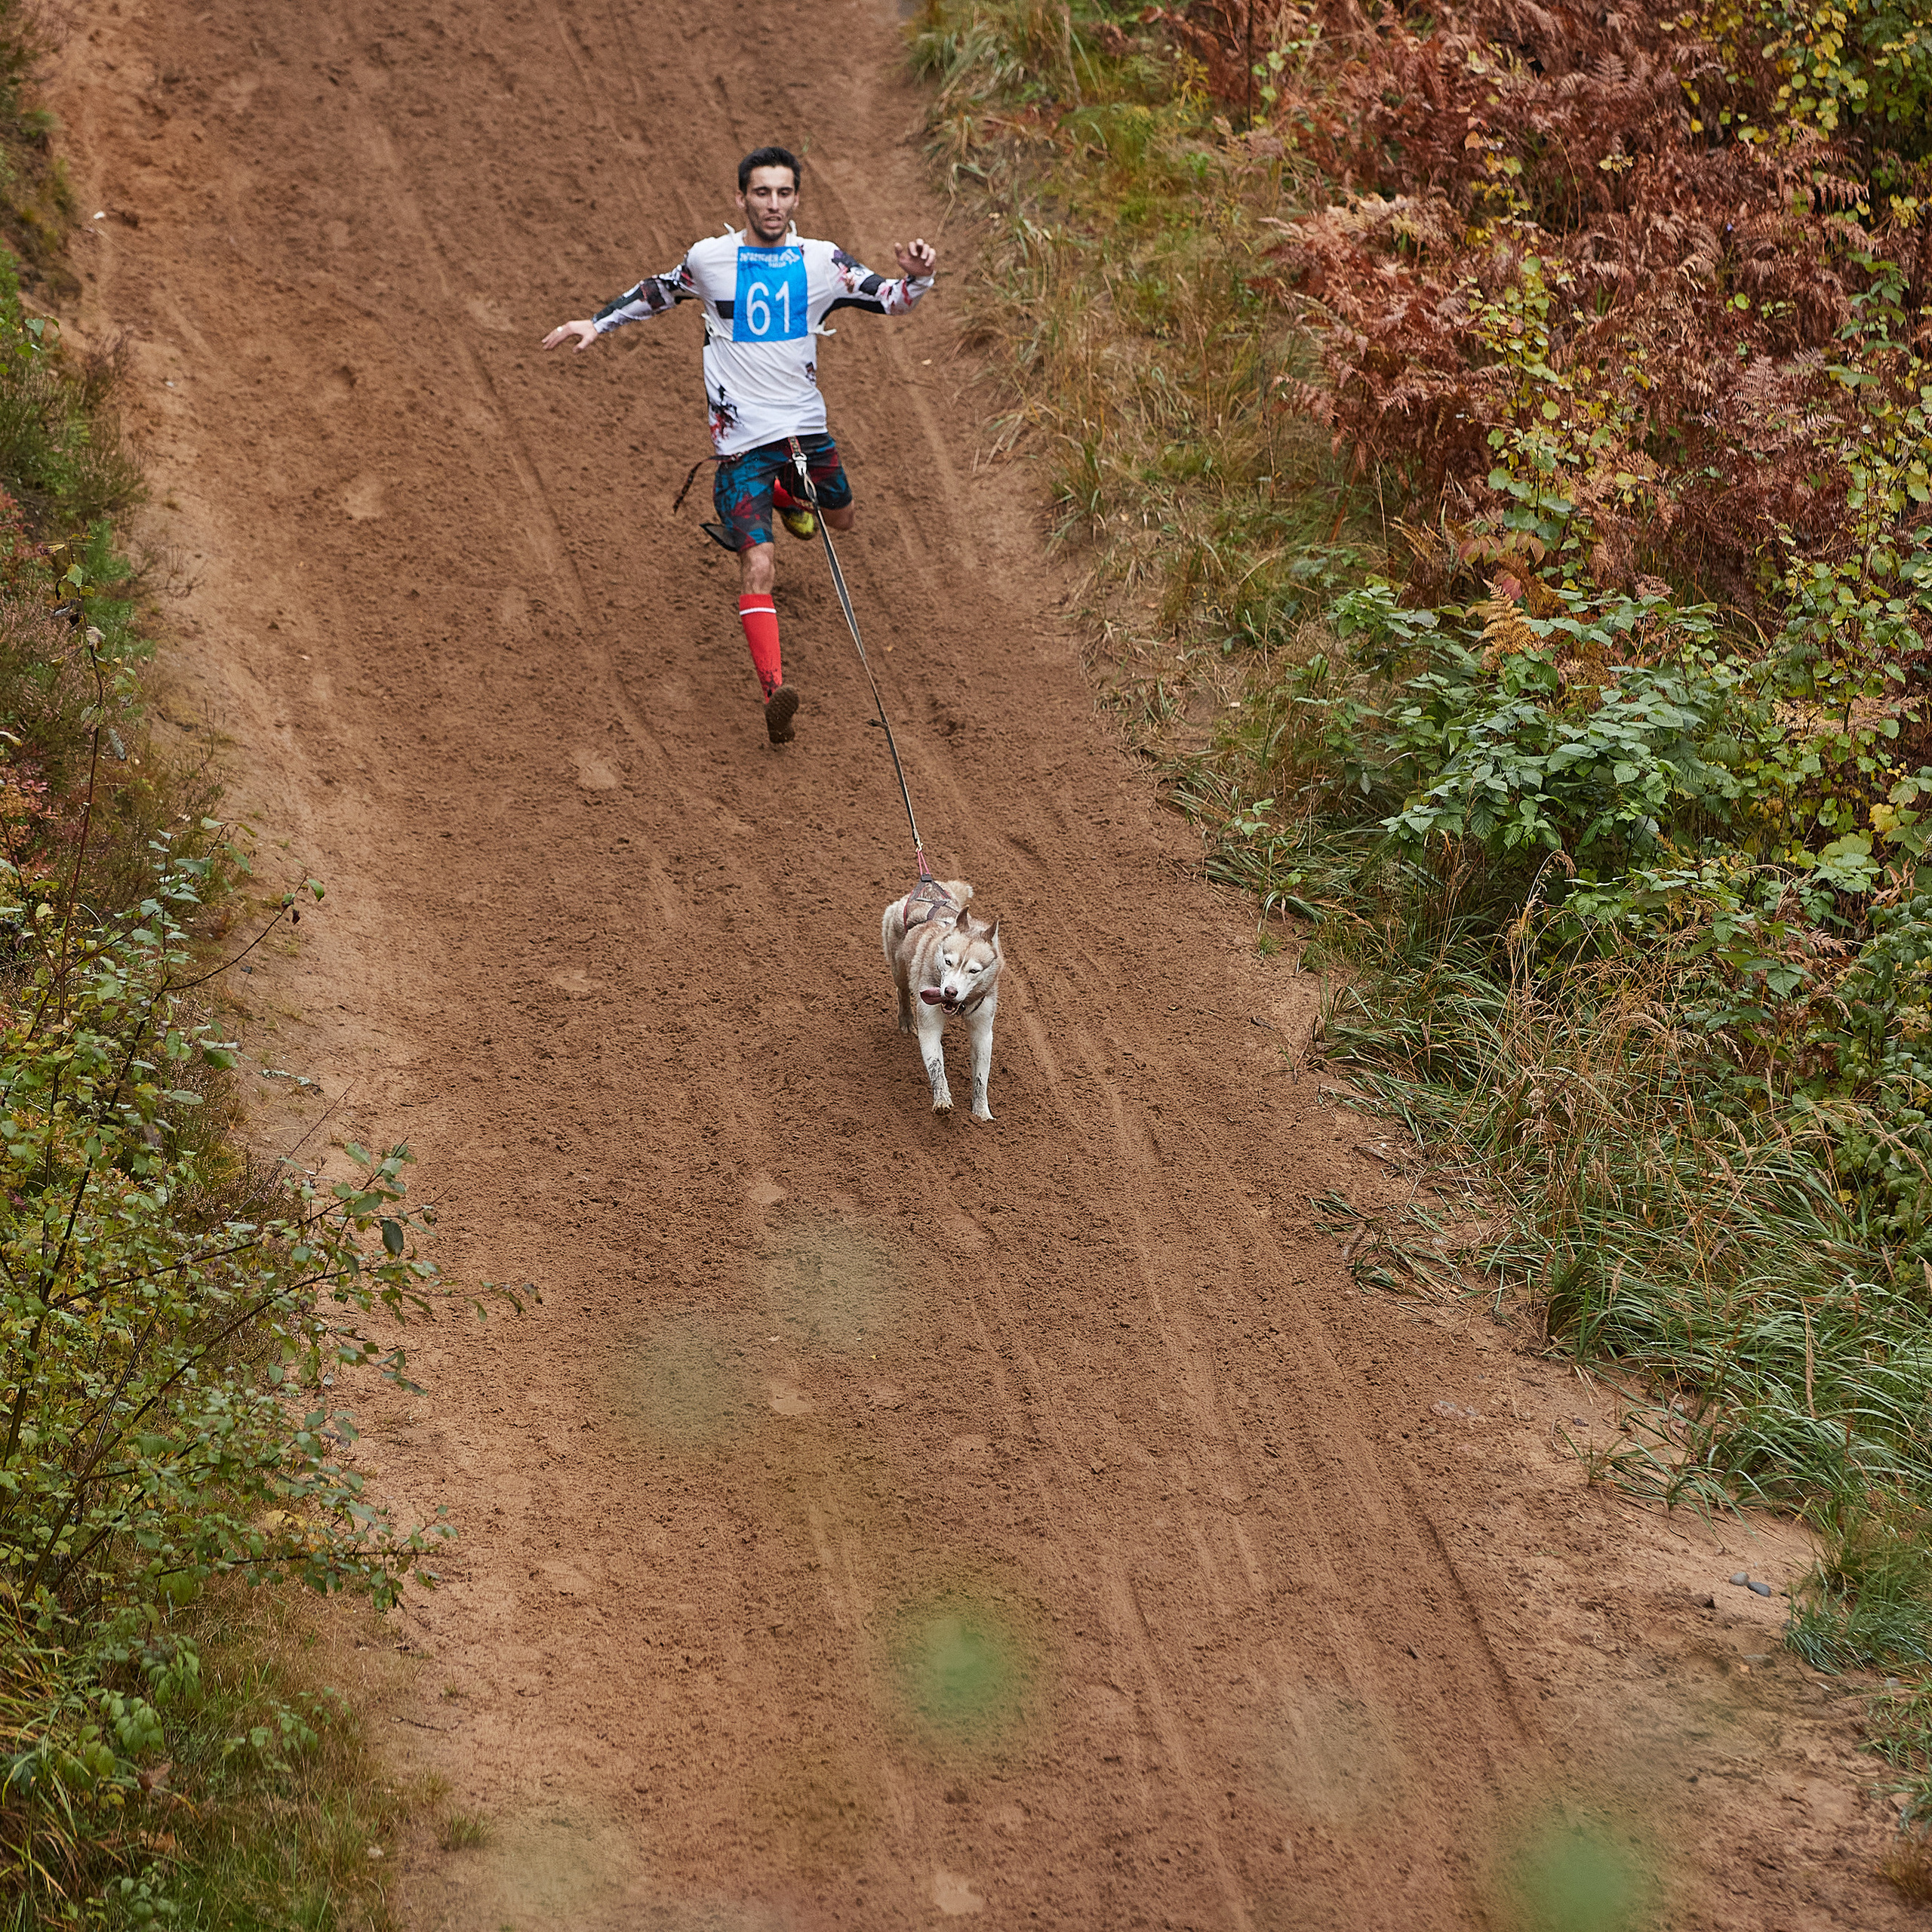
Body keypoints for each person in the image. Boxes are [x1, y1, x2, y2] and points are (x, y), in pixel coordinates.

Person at [543, 145, 938, 746]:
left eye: (783, 193)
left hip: (805, 431)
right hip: (741, 447)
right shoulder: (711, 260)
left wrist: (918, 276)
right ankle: (774, 694)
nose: (773, 204)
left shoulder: (821, 262)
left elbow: (890, 299)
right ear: (741, 198)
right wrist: (596, 323)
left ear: (796, 199)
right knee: (758, 564)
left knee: (842, 519)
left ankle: (786, 494)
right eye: (762, 193)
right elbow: (658, 290)